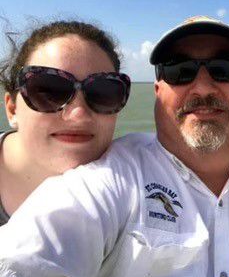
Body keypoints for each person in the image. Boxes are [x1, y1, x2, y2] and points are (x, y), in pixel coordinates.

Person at [0, 16, 229, 277]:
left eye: (225, 68)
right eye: (179, 71)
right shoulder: (114, 178)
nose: (202, 87)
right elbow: (23, 265)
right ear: (158, 93)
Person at [0, 20, 131, 224]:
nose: (78, 114)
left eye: (102, 92)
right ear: (12, 109)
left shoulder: (134, 184)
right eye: (49, 91)